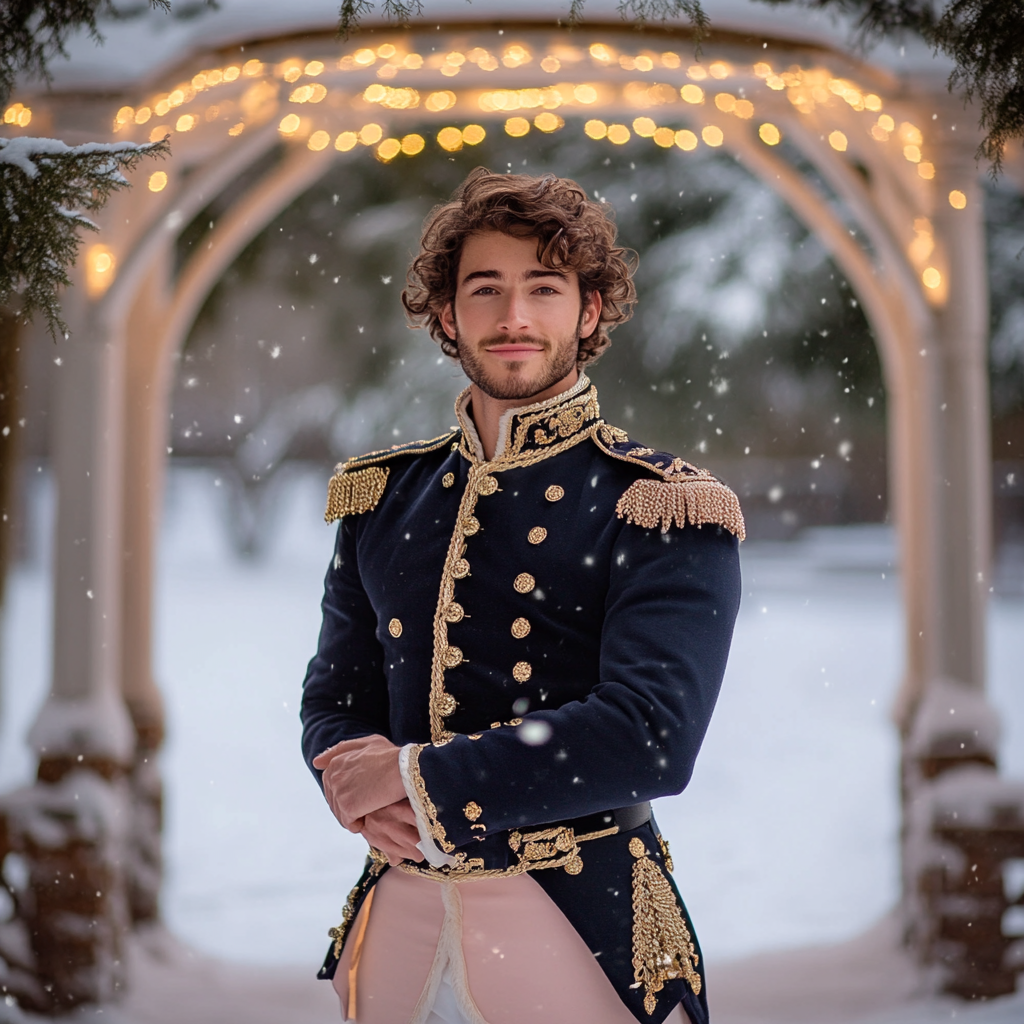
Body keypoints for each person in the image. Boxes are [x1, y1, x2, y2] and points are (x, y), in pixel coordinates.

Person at [301, 168, 744, 1024]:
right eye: (486, 290)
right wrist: (345, 777)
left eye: (544, 289)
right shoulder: (381, 494)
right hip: (397, 932)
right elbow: (336, 696)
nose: (513, 318)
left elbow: (651, 738)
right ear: (445, 315)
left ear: (587, 312)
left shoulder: (662, 503)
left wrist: (411, 779)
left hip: (577, 932)